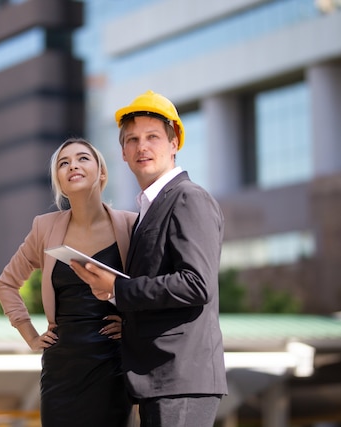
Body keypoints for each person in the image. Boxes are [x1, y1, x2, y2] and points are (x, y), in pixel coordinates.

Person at [71, 90, 228, 427]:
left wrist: (118, 289)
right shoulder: (148, 208)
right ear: (123, 153)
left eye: (153, 137)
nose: (142, 146)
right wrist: (126, 319)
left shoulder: (188, 198)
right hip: (160, 378)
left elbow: (196, 285)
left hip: (180, 376)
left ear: (174, 144)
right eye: (132, 140)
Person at [0, 137, 138, 427]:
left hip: (113, 361)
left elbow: (151, 289)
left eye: (83, 158)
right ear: (59, 181)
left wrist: (134, 324)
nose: (73, 164)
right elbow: (6, 284)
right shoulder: (44, 228)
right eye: (64, 162)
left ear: (102, 172)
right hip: (62, 366)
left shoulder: (132, 225)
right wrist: (30, 335)